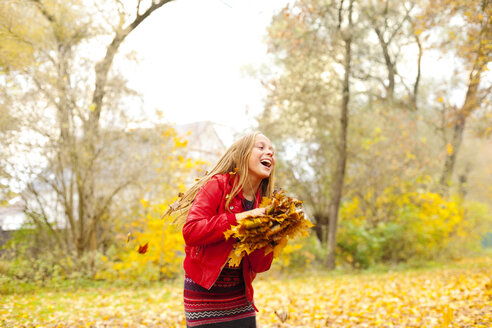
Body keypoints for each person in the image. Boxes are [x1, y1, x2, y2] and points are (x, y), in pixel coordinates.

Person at [165, 132, 276, 328]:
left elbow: (260, 266)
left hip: (240, 298)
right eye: (261, 147)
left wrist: (268, 236)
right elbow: (191, 231)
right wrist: (238, 218)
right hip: (203, 296)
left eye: (272, 151)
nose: (269, 152)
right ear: (241, 155)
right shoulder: (218, 185)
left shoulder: (265, 204)